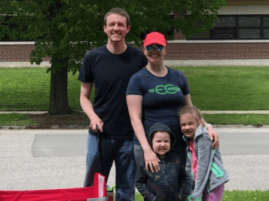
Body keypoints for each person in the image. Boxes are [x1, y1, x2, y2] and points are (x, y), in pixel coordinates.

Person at [78, 7, 147, 201]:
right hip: (100, 135)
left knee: (126, 190)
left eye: (120, 25)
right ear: (105, 28)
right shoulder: (92, 57)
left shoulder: (139, 58)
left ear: (128, 28)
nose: (116, 28)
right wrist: (93, 117)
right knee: (93, 189)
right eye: (112, 24)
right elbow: (84, 97)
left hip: (130, 136)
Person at [126, 31, 218, 173]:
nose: (154, 51)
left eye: (158, 47)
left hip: (177, 143)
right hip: (151, 145)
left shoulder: (178, 76)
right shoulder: (137, 79)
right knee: (154, 190)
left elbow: (190, 108)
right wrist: (147, 149)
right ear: (144, 50)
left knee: (180, 188)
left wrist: (207, 126)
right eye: (149, 47)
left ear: (165, 50)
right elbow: (135, 117)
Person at [179, 106, 229, 201]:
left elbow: (202, 167)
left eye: (190, 123)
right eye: (183, 124)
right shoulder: (188, 140)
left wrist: (197, 193)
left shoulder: (203, 137)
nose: (187, 127)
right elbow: (189, 168)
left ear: (198, 122)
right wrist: (190, 190)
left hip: (213, 182)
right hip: (202, 183)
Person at [135, 122, 190, 201]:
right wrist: (150, 197)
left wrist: (180, 194)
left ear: (171, 142)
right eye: (158, 141)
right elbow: (139, 182)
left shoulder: (176, 159)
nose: (163, 144)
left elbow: (183, 177)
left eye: (166, 141)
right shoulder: (145, 161)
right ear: (151, 142)